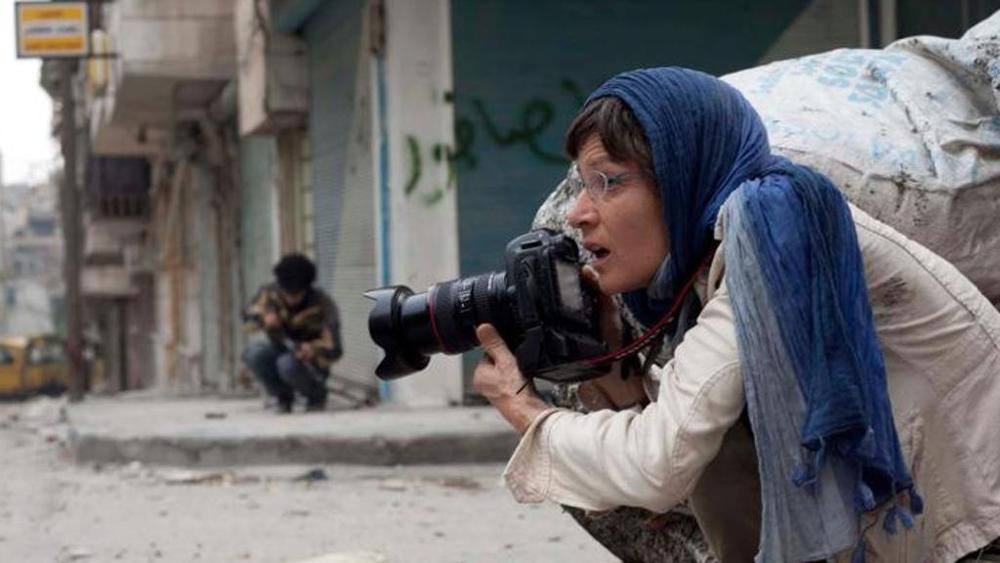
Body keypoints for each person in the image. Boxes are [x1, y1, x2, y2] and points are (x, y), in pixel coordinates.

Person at [473, 68, 1000, 562]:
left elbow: (660, 462)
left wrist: (526, 411)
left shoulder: (772, 228)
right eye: (585, 185)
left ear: (681, 176)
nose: (578, 214)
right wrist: (615, 367)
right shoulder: (713, 262)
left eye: (608, 182)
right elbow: (695, 432)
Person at [243, 254, 342, 413]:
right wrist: (263, 319)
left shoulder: (322, 304)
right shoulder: (269, 294)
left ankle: (316, 396)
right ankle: (282, 398)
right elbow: (246, 319)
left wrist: (313, 349)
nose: (291, 299)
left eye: (296, 294)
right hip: (279, 349)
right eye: (287, 293)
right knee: (254, 354)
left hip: (309, 364)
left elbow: (335, 349)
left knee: (286, 364)